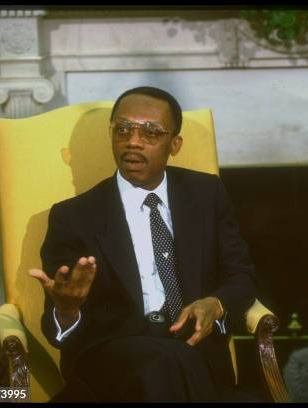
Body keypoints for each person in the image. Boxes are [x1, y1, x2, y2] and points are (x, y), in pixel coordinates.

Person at [28, 86, 257, 402]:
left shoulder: (206, 194)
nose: (133, 141)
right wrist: (67, 310)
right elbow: (58, 331)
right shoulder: (74, 216)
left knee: (176, 360)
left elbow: (241, 276)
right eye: (123, 130)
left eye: (150, 132)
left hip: (193, 350)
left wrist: (215, 304)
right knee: (163, 361)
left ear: (174, 144)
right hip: (114, 358)